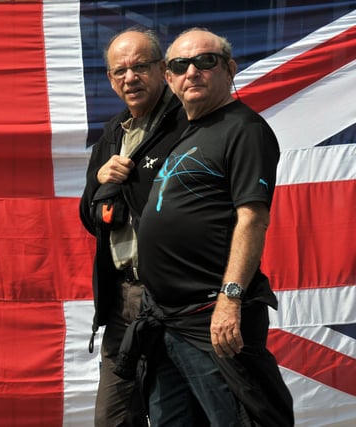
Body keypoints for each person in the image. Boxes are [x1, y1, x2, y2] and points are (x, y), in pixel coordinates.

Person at [130, 28, 294, 426]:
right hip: (165, 319)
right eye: (179, 65)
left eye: (205, 62)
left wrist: (231, 298)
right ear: (168, 78)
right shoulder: (184, 133)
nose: (192, 72)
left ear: (229, 69)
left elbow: (252, 218)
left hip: (212, 319)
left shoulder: (243, 129)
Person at [79, 27, 188, 426]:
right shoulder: (111, 134)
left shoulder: (188, 124)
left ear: (162, 70)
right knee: (113, 417)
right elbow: (91, 220)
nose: (130, 77)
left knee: (175, 414)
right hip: (124, 296)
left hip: (178, 299)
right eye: (120, 70)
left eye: (140, 67)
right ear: (110, 79)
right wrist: (100, 184)